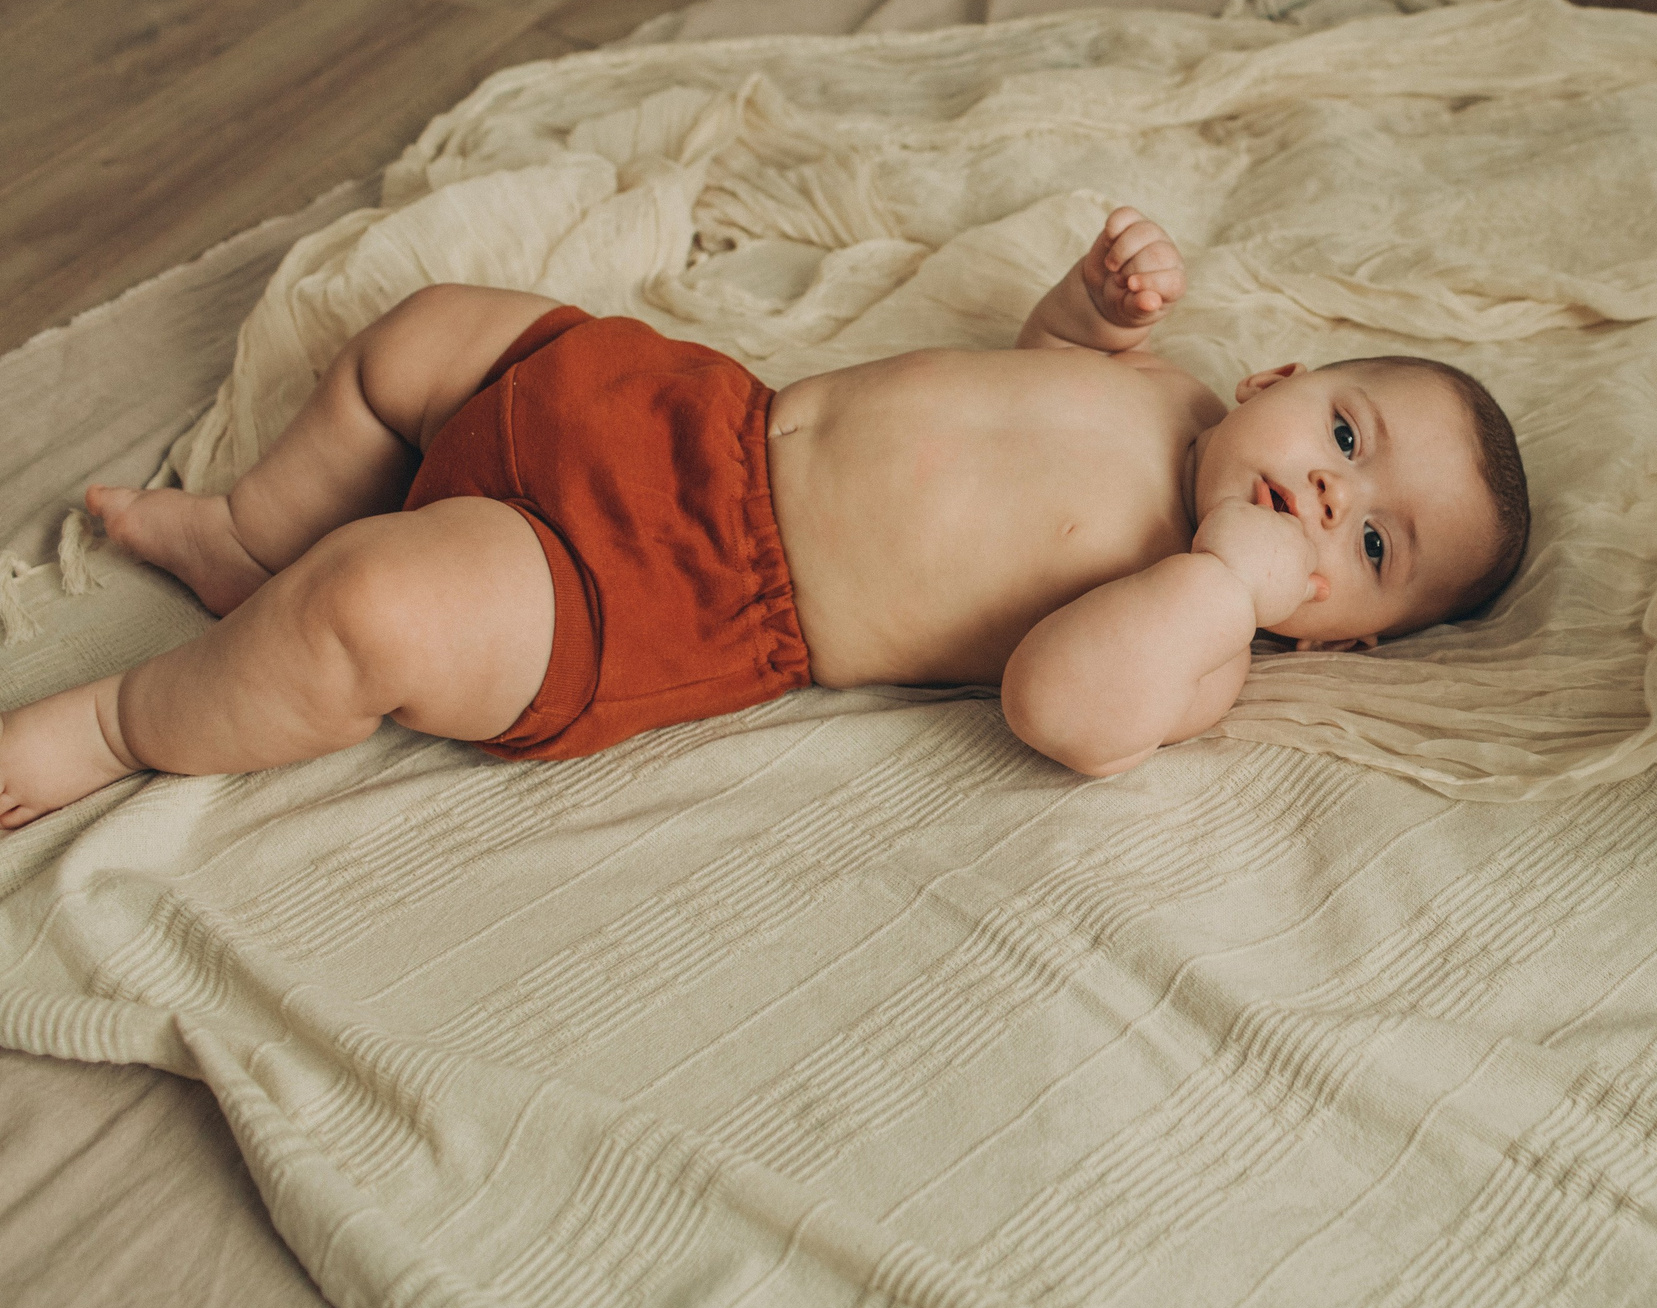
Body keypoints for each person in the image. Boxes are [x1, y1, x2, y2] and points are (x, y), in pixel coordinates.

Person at [0, 208, 1530, 827]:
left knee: (374, 608)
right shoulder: (1167, 388)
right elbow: (1036, 364)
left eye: (1369, 546)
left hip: (678, 589)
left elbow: (1061, 705)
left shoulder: (1197, 646)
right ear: (1278, 378)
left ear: (1346, 636)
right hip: (687, 413)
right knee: (422, 334)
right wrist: (1093, 307)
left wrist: (1229, 583)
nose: (1328, 494)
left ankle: (126, 723)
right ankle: (251, 536)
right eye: (1346, 436)